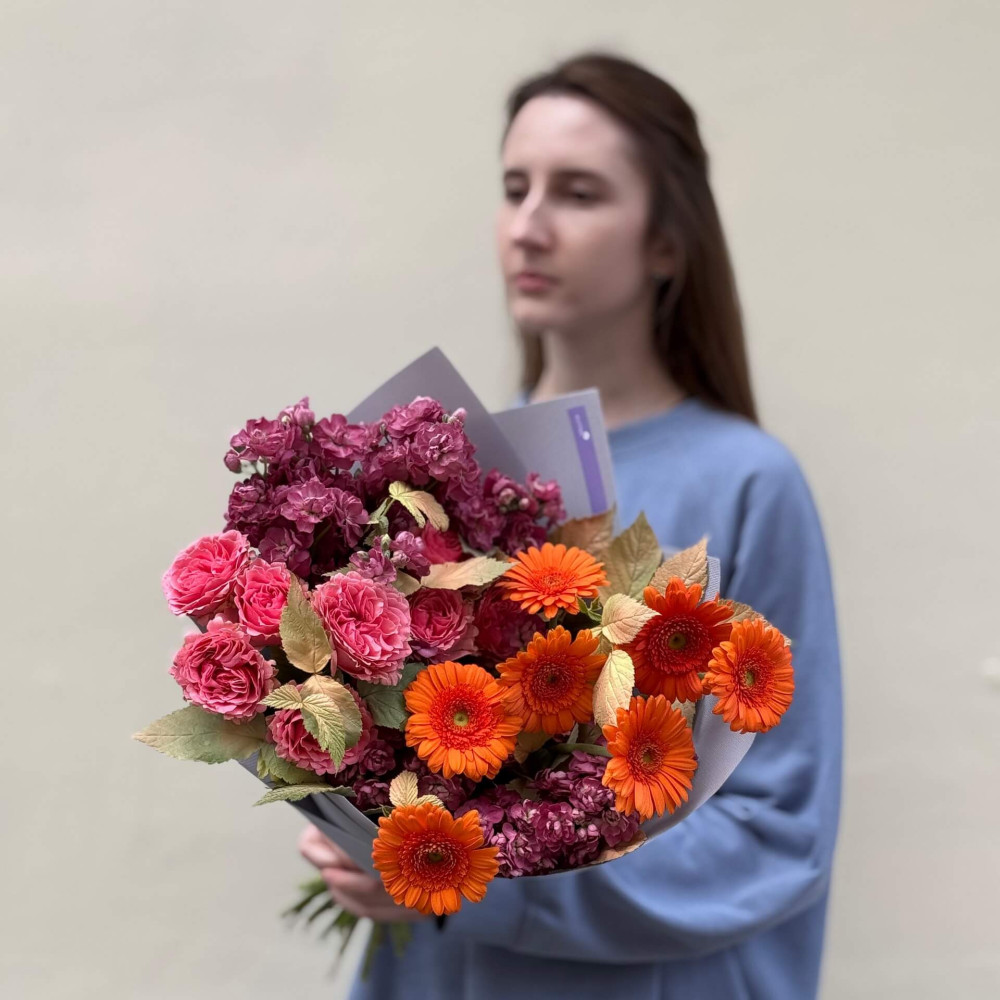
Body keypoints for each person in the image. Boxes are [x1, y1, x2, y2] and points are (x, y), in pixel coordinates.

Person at [299, 51, 843, 999]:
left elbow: (774, 830)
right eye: (516, 189)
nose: (529, 226)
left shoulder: (749, 481)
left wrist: (473, 887)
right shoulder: (446, 476)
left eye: (578, 193)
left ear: (666, 242)